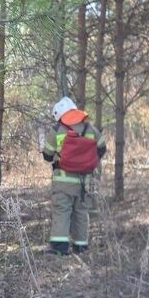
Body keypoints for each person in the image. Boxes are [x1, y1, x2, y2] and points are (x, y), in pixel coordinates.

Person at [42, 97, 107, 255]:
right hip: (85, 181)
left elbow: (47, 156)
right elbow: (102, 148)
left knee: (62, 211)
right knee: (81, 212)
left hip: (63, 181)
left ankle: (59, 247)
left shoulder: (57, 130)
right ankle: (81, 246)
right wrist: (88, 161)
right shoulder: (89, 128)